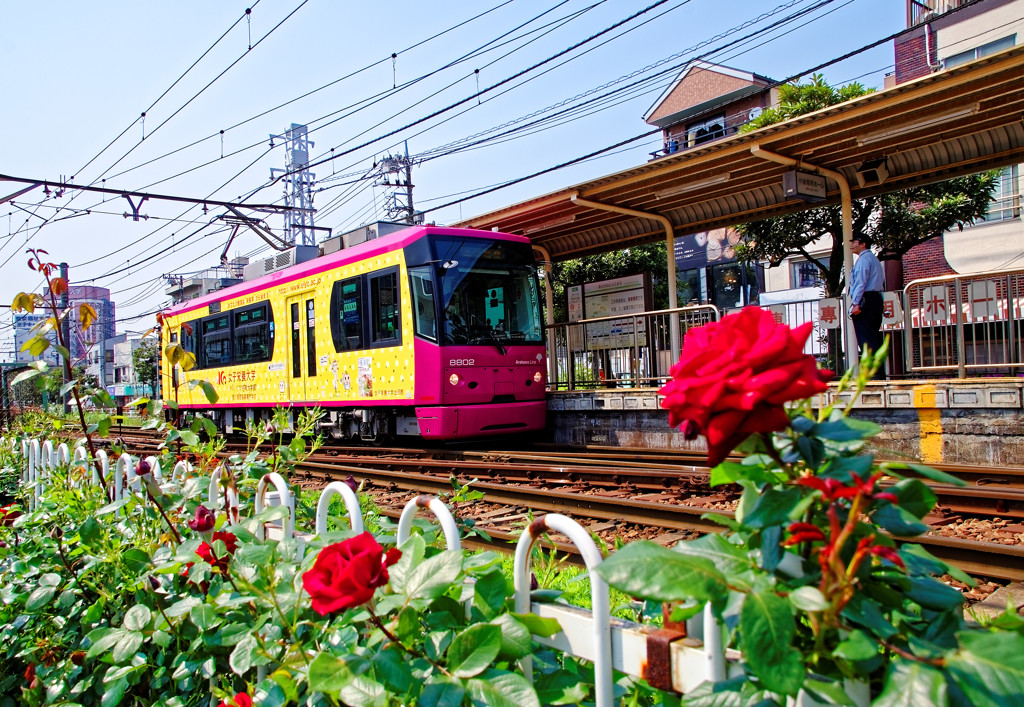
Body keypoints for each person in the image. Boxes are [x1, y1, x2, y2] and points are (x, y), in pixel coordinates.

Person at [848, 235, 885, 356]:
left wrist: (855, 303)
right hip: (875, 299)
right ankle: (878, 373)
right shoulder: (874, 259)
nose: (852, 245)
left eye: (854, 242)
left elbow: (860, 283)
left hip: (865, 300)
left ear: (863, 244)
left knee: (866, 339)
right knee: (873, 336)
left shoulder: (863, 260)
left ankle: (872, 373)